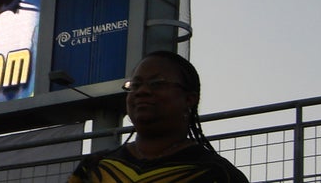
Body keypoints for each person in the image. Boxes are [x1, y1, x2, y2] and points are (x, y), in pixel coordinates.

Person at [68, 50, 249, 182]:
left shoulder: (216, 173)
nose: (142, 91)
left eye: (157, 83)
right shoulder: (95, 167)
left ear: (189, 99)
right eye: (135, 85)